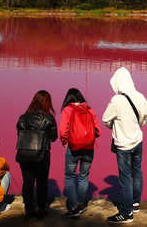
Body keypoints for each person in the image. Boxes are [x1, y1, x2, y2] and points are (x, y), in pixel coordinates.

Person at [102, 67, 147, 224]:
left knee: (125, 178)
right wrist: (138, 124)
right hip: (138, 141)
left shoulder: (116, 100)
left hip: (123, 145)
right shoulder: (139, 96)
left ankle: (126, 213)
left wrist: (115, 127)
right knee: (137, 171)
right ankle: (135, 203)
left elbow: (105, 119)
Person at [15, 90, 58, 220]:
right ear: (47, 102)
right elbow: (54, 137)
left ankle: (28, 208)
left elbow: (19, 133)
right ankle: (41, 208)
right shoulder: (48, 118)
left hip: (24, 153)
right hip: (42, 153)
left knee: (27, 182)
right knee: (42, 182)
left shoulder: (23, 117)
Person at [59, 88, 101, 218]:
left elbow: (62, 131)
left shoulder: (67, 110)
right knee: (83, 176)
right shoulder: (89, 109)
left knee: (70, 176)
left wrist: (65, 143)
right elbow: (98, 130)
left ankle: (73, 207)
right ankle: (81, 204)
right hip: (89, 149)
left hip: (73, 148)